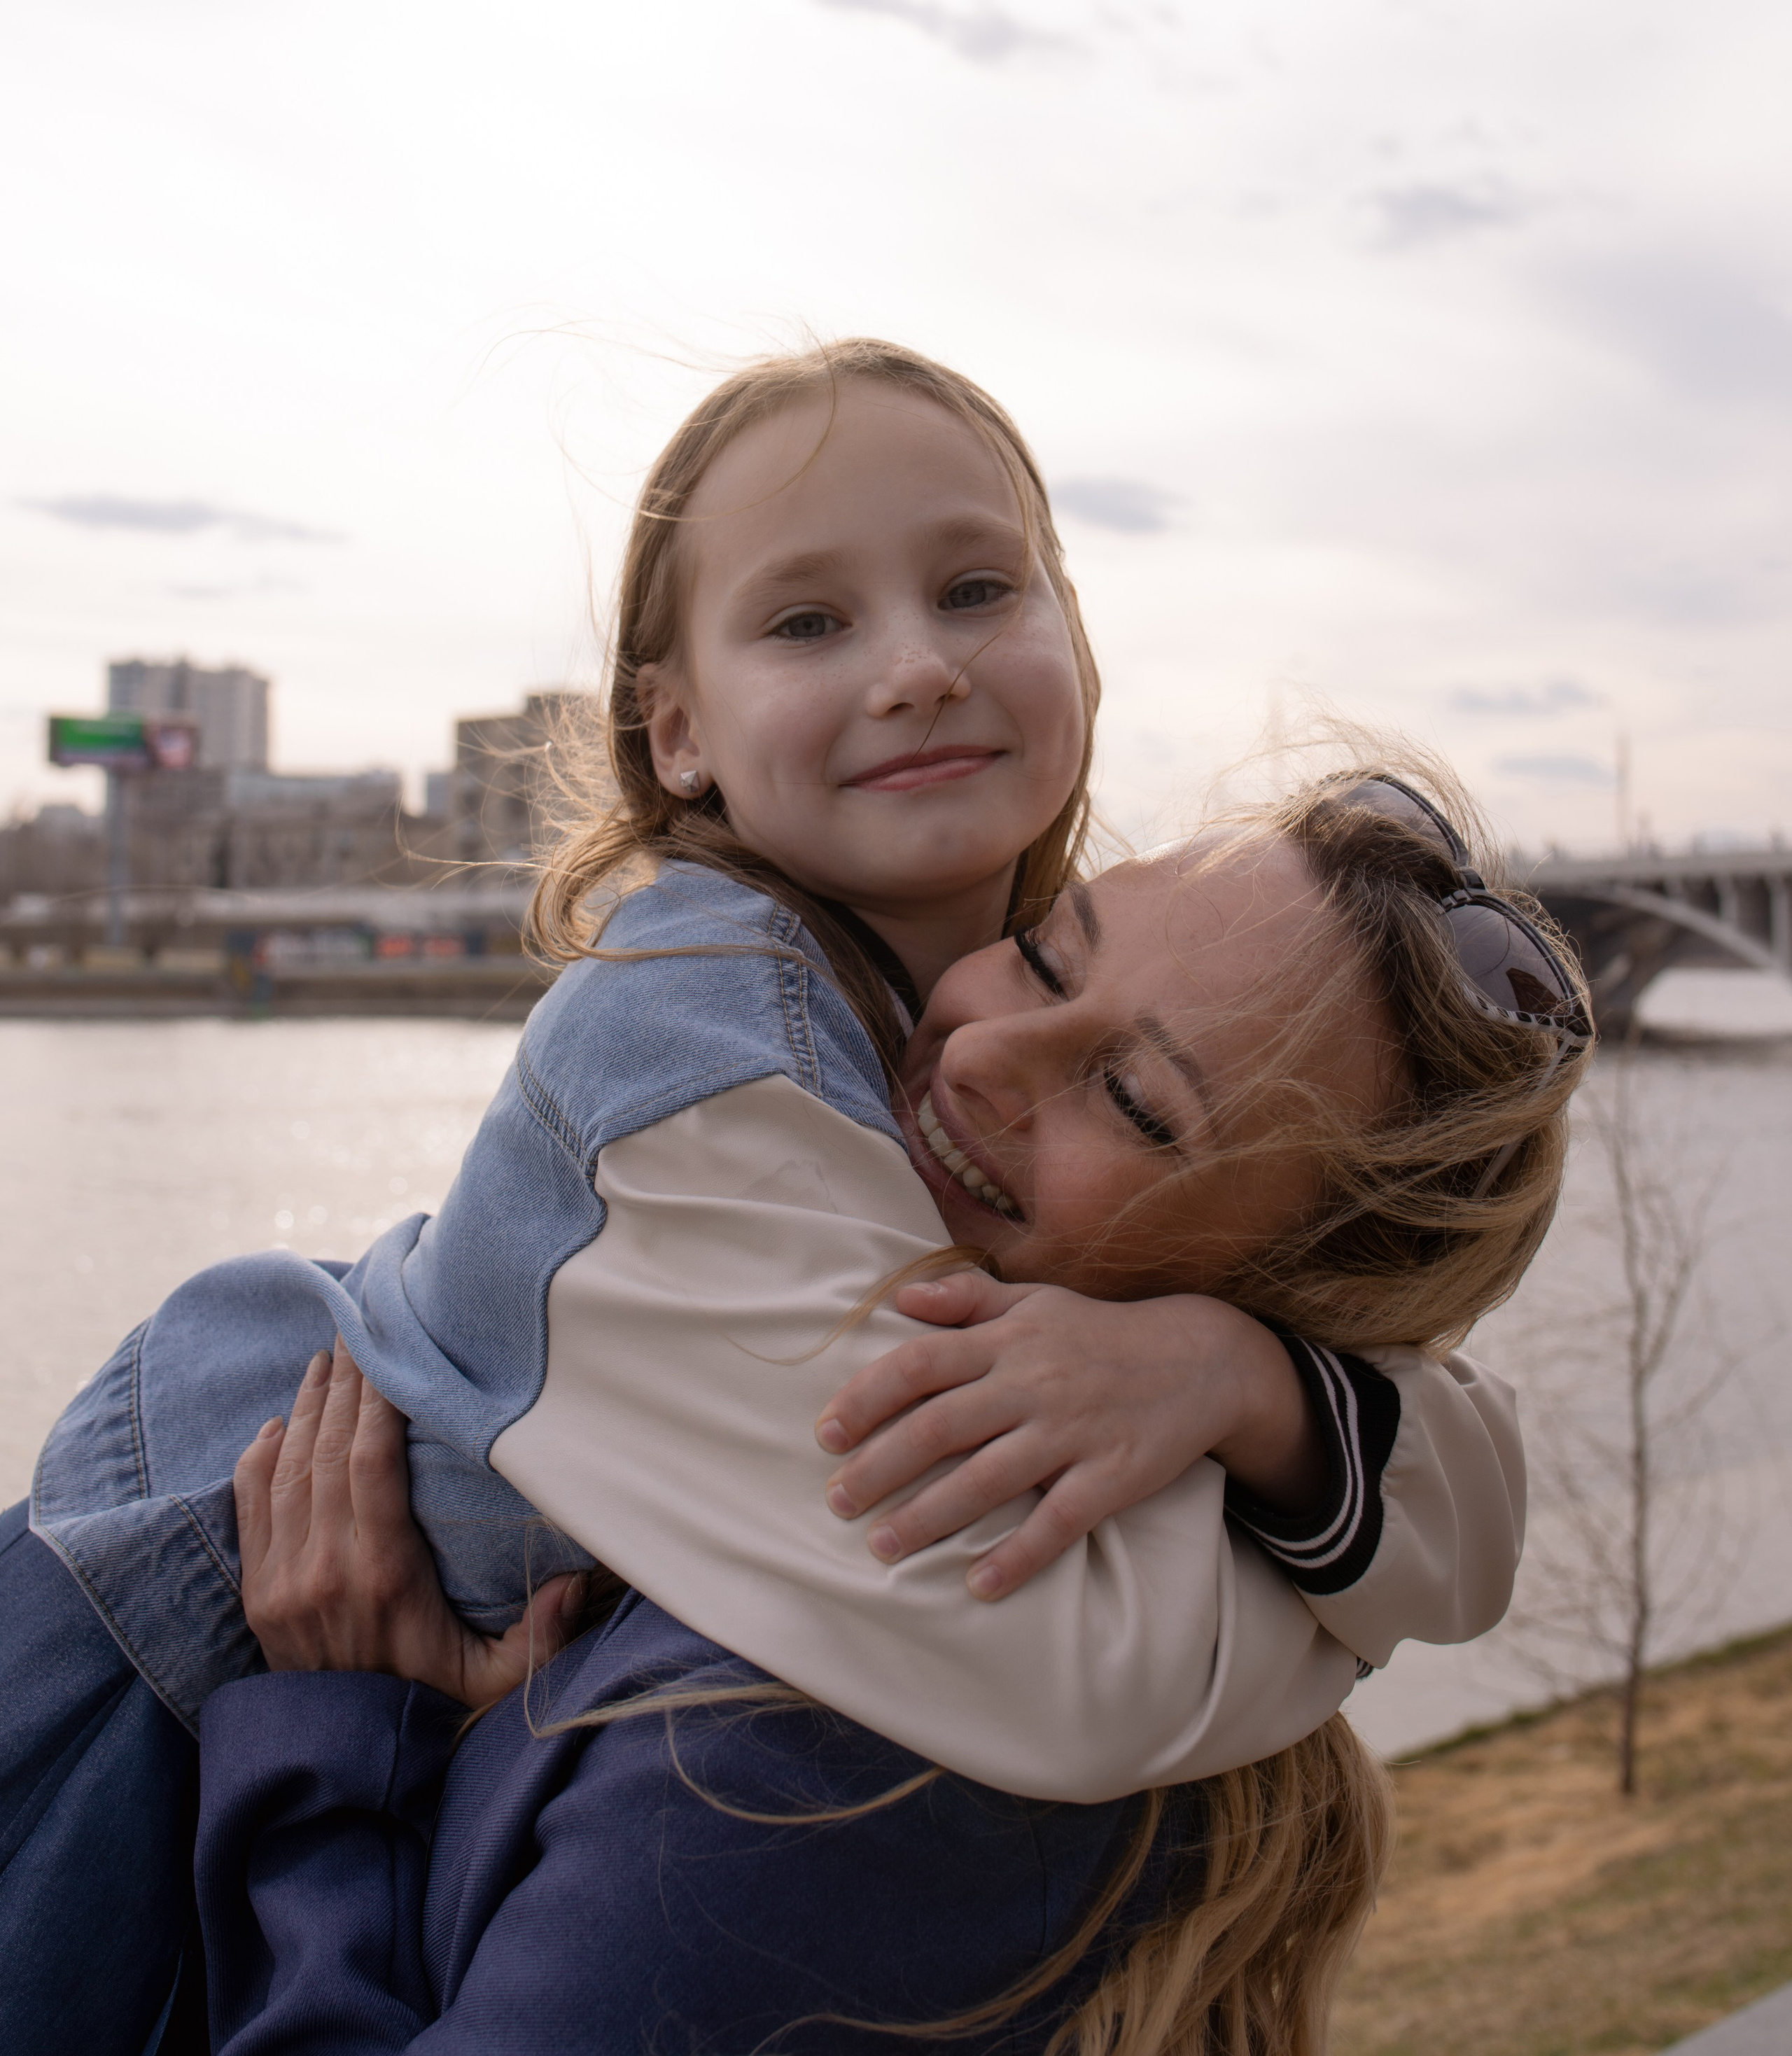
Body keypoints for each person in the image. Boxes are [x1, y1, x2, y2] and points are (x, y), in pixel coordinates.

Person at [1, 345, 1561, 2049]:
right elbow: (1078, 1663)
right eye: (806, 622)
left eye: (973, 586)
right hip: (135, 1662)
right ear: (675, 730)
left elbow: (1473, 1482)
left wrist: (1244, 1384)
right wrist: (1335, 1587)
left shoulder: (910, 1001)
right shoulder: (693, 1059)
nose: (910, 665)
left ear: (1078, 655)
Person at [196, 768, 1590, 2053]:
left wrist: (335, 1754)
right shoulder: (1172, 1589)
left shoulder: (829, 1762)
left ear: (1294, 1285)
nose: (988, 1052)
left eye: (1131, 1098)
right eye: (1047, 949)